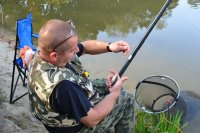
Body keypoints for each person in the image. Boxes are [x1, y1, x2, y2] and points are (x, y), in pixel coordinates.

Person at [28, 19, 135, 133]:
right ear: (54, 56)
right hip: (77, 128)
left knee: (110, 84)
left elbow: (85, 47)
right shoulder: (63, 87)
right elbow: (92, 120)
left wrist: (109, 46)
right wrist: (114, 93)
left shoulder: (41, 56)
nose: (78, 50)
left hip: (66, 104)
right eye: (73, 51)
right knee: (126, 98)